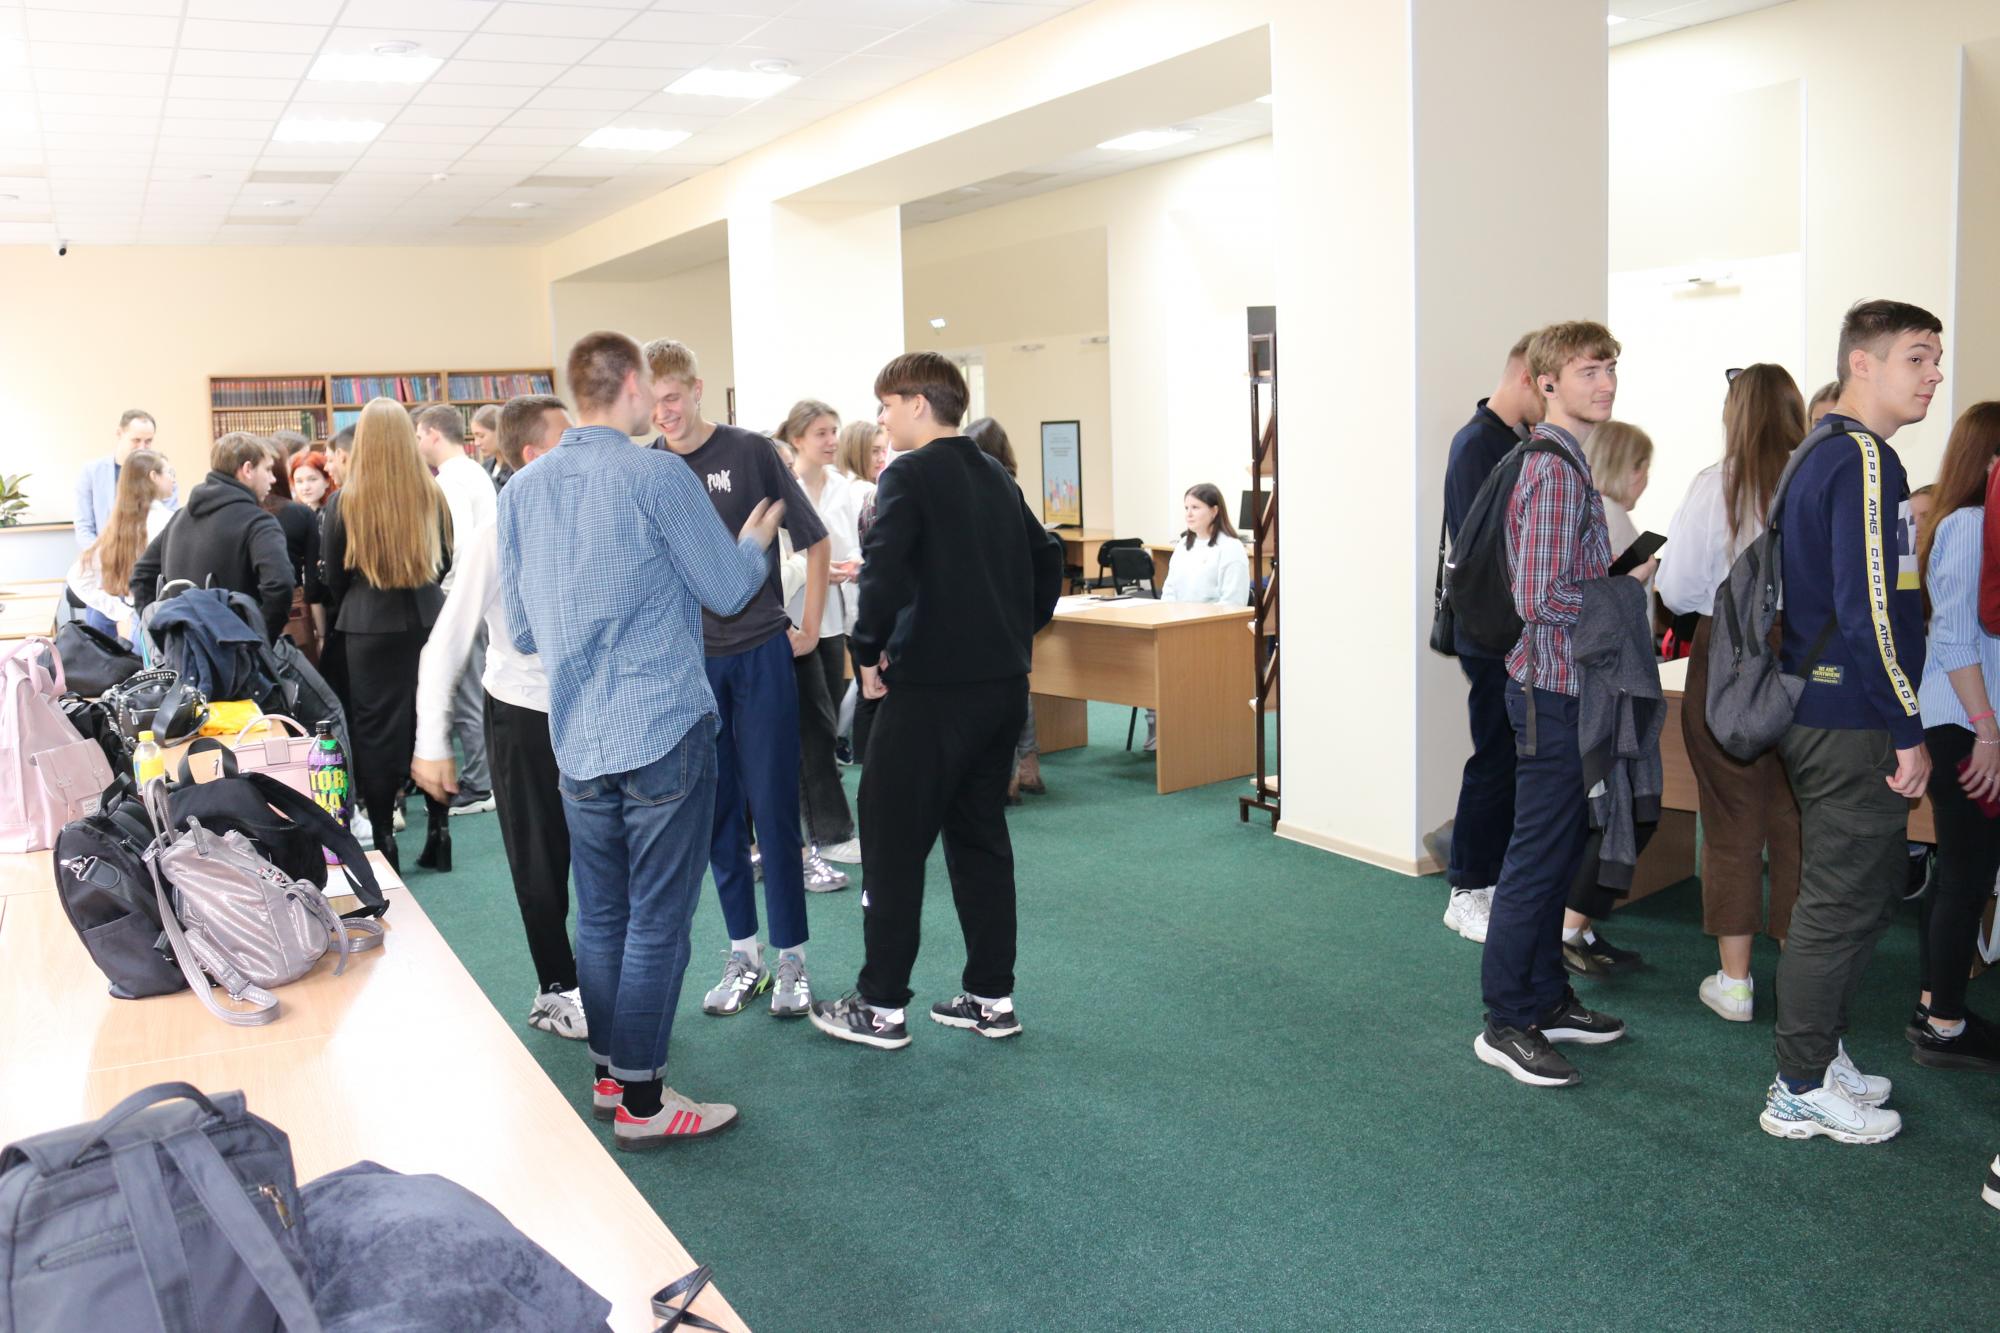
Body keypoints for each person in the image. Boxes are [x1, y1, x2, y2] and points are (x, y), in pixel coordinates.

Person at [499, 329, 783, 1147]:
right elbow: (727, 590)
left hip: (577, 733)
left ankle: (610, 1075)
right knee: (658, 919)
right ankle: (645, 1102)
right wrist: (755, 543)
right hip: (661, 729)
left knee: (602, 915)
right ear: (631, 382)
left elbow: (523, 629)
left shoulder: (522, 489)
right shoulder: (658, 475)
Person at [808, 353, 1063, 1051]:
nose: (881, 420)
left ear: (918, 403)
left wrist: (867, 651)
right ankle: (991, 998)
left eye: (886, 405)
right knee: (981, 841)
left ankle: (880, 1005)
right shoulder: (996, 475)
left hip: (929, 694)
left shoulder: (909, 473)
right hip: (1000, 689)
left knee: (892, 843)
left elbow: (885, 572)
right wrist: (1013, 629)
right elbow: (1047, 559)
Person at [1757, 298, 1940, 1146]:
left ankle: (1819, 1054)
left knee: (1858, 895)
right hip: (1848, 715)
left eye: (1936, 359)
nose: (1933, 374)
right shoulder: (1862, 457)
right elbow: (1872, 607)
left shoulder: (1827, 449)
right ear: (1862, 363)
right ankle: (1797, 1085)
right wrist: (1907, 724)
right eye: (1916, 357)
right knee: (1838, 904)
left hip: (1826, 708)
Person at [1474, 321, 1646, 1090]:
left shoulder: (1568, 462)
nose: (1605, 383)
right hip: (1550, 691)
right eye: (1588, 371)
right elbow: (1539, 596)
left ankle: (1544, 996)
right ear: (1546, 384)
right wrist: (1621, 594)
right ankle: (1507, 1019)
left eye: (1609, 368)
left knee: (1558, 852)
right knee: (1537, 857)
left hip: (1568, 686)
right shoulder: (1552, 470)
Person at [641, 338, 834, 1023]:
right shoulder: (651, 468)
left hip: (759, 656)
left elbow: (814, 538)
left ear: (696, 389)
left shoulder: (750, 452)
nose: (663, 412)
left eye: (672, 397)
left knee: (774, 808)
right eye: (651, 402)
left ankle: (792, 958)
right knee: (716, 815)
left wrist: (809, 625)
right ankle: (743, 954)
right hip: (691, 666)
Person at [413, 393, 586, 1040]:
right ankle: (555, 987)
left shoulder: (596, 518)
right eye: (568, 438)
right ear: (534, 455)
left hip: (592, 711)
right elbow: (447, 641)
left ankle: (598, 976)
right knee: (541, 859)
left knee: (603, 855)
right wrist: (431, 740)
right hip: (522, 714)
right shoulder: (495, 537)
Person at [1656, 364, 1807, 1021]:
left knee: (1730, 817)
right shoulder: (1815, 479)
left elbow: (1677, 589)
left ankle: (1736, 982)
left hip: (1726, 654)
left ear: (1733, 414)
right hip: (1805, 658)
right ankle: (1803, 977)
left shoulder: (1715, 484)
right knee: (1797, 817)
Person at [318, 399, 455, 875]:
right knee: (431, 719)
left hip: (367, 625)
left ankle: (384, 839)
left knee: (375, 733)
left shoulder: (344, 501)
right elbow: (445, 562)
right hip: (428, 618)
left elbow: (333, 577)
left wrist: (357, 602)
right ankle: (439, 830)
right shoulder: (432, 494)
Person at [1440, 333, 1543, 945]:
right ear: (1527, 377)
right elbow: (1487, 548)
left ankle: (1494, 880)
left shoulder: (1515, 441)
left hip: (1513, 632)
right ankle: (1466, 888)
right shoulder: (1478, 444)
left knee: (1510, 763)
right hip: (1490, 634)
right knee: (1493, 760)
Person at [1909, 401, 2000, 1071]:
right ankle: (1943, 1023)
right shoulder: (1968, 525)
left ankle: (1933, 1005)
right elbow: (1955, 638)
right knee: (1967, 875)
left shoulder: (1970, 522)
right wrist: (1987, 732)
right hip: (1964, 724)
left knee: (1959, 874)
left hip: (1968, 722)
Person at [1553, 418, 1657, 975]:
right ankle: (1570, 928)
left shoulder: (1603, 514)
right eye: (1644, 468)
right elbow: (1600, 610)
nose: (1646, 480)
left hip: (1606, 680)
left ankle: (1581, 928)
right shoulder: (1608, 517)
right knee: (1619, 809)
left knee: (1612, 809)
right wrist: (1636, 582)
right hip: (1611, 683)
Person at [778, 399, 864, 866]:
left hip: (831, 622)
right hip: (793, 622)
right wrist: (816, 569)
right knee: (809, 730)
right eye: (821, 433)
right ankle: (824, 833)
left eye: (835, 431)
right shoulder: (781, 489)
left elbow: (851, 547)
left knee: (823, 730)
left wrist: (851, 567)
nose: (832, 441)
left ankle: (815, 831)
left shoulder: (843, 488)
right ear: (797, 440)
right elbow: (785, 557)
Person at [414, 404, 498, 817]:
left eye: (418, 436)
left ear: (433, 434)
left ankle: (480, 785)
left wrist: (447, 595)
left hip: (463, 596)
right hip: (479, 596)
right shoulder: (472, 472)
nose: (416, 444)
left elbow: (458, 544)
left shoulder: (451, 480)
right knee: (471, 691)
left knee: (466, 694)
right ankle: (481, 778)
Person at [131, 431, 292, 642]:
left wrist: (164, 638)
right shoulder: (258, 522)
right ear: (247, 470)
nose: (273, 479)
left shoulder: (180, 518)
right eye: (268, 469)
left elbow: (141, 575)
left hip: (186, 651)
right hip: (238, 651)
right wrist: (259, 642)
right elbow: (280, 586)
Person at [966, 416, 1048, 801]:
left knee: (996, 696)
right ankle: (1026, 766)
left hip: (986, 608)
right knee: (1017, 689)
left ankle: (1010, 775)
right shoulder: (1010, 488)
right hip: (1011, 608)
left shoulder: (980, 490)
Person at [1142, 483, 1252, 755]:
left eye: (1196, 508)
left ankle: (1187, 733)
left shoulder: (1230, 549)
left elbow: (1233, 602)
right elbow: (1169, 591)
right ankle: (1158, 725)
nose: (1189, 514)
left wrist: (1194, 622)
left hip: (1211, 633)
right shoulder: (1183, 546)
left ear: (1214, 511)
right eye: (1186, 508)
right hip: (1177, 628)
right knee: (1148, 662)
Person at [64, 449, 173, 644]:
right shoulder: (167, 521)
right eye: (168, 473)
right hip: (166, 624)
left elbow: (77, 577)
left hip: (138, 625)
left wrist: (122, 612)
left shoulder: (121, 526)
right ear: (154, 477)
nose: (172, 479)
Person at [254, 438, 325, 665]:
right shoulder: (300, 513)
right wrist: (322, 633)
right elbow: (313, 583)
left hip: (248, 605)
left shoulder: (242, 513)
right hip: (294, 606)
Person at [75, 408, 164, 551]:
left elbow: (169, 522)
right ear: (119, 433)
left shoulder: (161, 474)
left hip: (147, 555)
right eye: (136, 440)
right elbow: (84, 526)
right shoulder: (91, 472)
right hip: (104, 555)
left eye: (148, 441)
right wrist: (100, 556)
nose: (142, 447)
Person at [470, 404, 509, 489]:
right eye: (474, 437)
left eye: (481, 436)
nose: (476, 443)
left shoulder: (518, 469)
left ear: (500, 431)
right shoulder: (485, 466)